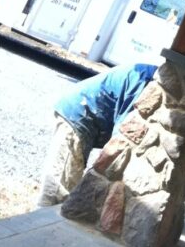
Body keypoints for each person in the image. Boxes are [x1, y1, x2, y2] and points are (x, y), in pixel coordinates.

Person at [38, 62, 157, 206]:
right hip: (77, 113)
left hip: (87, 117)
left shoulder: (150, 80)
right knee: (59, 188)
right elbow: (122, 136)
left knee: (68, 183)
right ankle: (38, 221)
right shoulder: (145, 83)